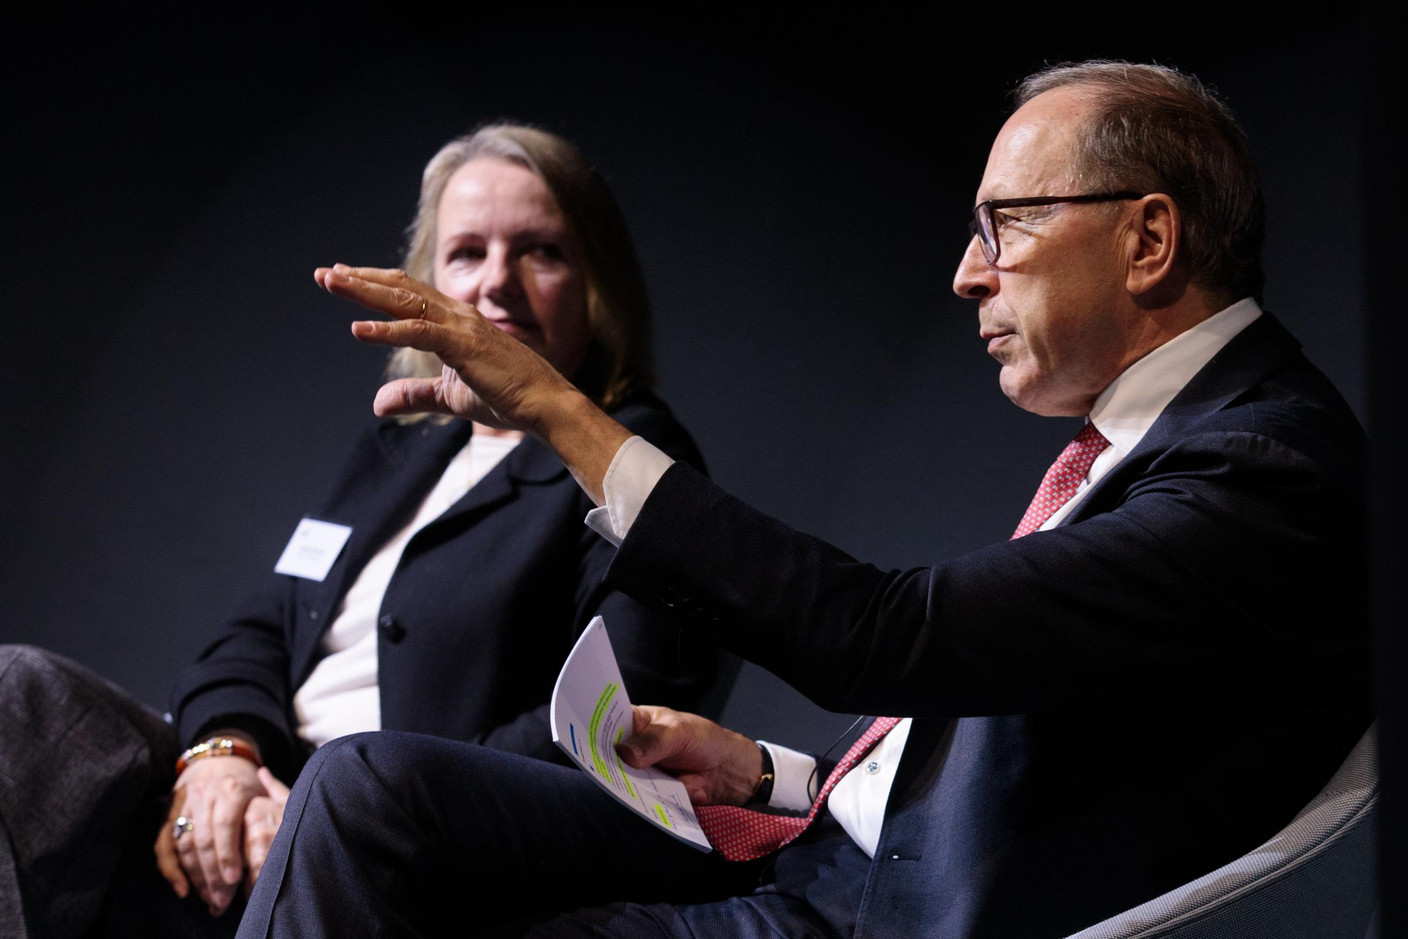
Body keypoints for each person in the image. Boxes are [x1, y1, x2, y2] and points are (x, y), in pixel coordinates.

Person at [234, 61, 1372, 938]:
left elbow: (888, 636)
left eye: (1005, 222)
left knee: (379, 820)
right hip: (814, 853)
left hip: (858, 915)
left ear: (1149, 238)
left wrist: (557, 410)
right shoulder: (1165, 446)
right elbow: (1024, 733)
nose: (970, 271)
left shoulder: (1259, 469)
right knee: (365, 795)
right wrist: (768, 773)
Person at [0, 123, 727, 938]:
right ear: (427, 284)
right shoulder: (405, 443)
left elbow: (615, 717)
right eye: (466, 253)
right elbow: (261, 629)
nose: (498, 284)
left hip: (399, 826)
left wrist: (327, 798)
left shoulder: (632, 455)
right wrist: (225, 757)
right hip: (259, 796)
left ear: (599, 283)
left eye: (541, 251)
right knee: (18, 693)